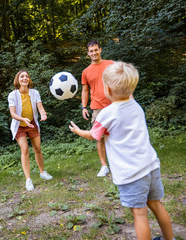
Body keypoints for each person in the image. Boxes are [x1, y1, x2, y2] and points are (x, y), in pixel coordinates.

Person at [70, 61, 175, 240]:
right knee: (157, 205)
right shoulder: (135, 105)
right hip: (151, 166)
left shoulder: (107, 114)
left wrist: (78, 131)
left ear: (108, 91)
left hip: (131, 174)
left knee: (139, 214)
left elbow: (94, 136)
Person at [8, 70, 53, 191]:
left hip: (32, 124)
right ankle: (28, 180)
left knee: (37, 148)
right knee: (25, 149)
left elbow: (40, 107)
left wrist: (43, 114)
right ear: (18, 79)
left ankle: (42, 172)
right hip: (19, 126)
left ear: (29, 80)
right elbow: (13, 114)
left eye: (26, 76)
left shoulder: (34, 93)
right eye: (22, 76)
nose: (24, 78)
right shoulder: (12, 95)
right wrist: (23, 119)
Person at [81, 40, 114, 177]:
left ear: (100, 50)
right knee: (99, 137)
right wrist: (84, 107)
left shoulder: (111, 64)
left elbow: (121, 80)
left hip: (114, 104)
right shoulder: (86, 72)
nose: (94, 53)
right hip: (97, 108)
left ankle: (118, 162)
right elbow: (85, 90)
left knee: (117, 135)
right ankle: (104, 166)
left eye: (96, 50)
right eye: (91, 51)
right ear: (88, 53)